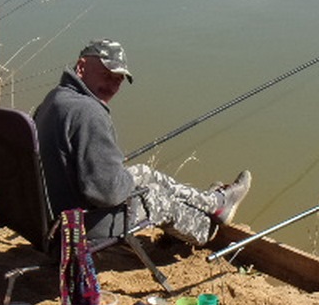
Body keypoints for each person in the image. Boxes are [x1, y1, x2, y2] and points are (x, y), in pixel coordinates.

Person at [34, 38, 251, 246]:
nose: (111, 86)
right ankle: (206, 228)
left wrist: (123, 173)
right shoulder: (89, 113)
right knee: (153, 195)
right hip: (80, 226)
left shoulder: (55, 99)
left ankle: (215, 203)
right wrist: (127, 180)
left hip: (52, 212)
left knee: (144, 173)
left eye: (118, 80)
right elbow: (107, 193)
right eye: (106, 75)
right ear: (82, 67)